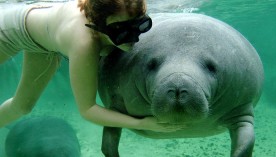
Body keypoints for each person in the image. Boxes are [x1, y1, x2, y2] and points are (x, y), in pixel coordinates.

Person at [0, 0, 181, 132]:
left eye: (140, 25)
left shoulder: (111, 19)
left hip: (43, 41)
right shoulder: (83, 43)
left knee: (22, 107)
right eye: (121, 32)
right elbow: (88, 110)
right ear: (96, 27)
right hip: (8, 30)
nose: (134, 38)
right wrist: (141, 123)